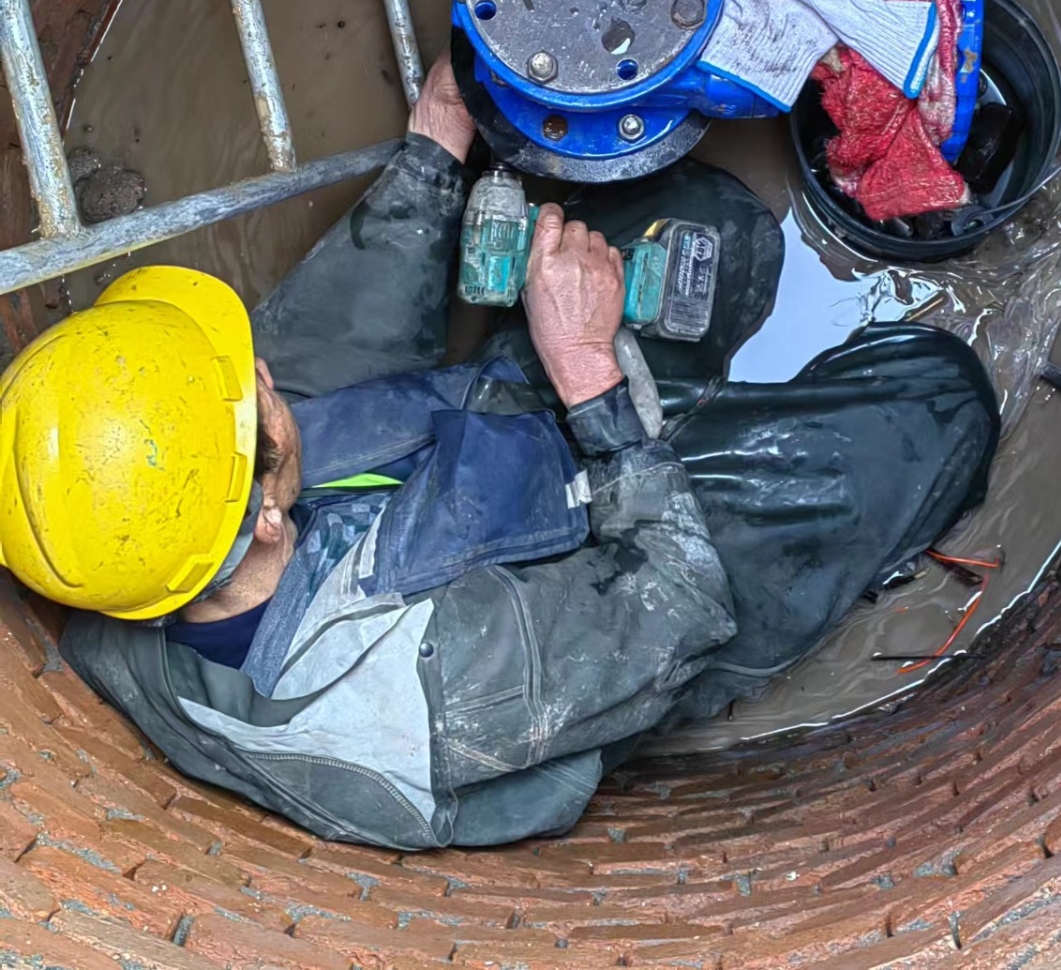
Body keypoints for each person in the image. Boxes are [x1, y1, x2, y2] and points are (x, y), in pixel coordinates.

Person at [0, 53, 1000, 849]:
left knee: (723, 231)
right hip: (620, 600)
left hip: (483, 455)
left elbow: (322, 356)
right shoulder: (434, 691)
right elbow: (678, 608)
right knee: (936, 398)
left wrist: (432, 154)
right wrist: (587, 373)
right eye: (247, 393)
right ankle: (843, 527)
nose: (259, 374)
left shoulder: (145, 531)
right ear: (265, 514)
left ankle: (656, 387)